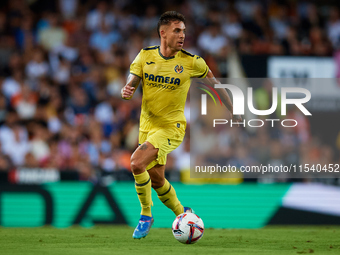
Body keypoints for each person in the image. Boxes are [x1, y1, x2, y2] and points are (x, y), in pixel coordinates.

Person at [121, 11, 240, 239]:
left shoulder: (191, 62)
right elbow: (131, 82)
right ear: (163, 33)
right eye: (177, 30)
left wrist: (233, 110)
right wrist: (126, 90)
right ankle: (184, 214)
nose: (182, 35)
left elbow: (216, 85)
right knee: (157, 181)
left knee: (136, 163)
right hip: (147, 126)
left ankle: (146, 215)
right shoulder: (145, 56)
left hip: (172, 128)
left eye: (184, 31)